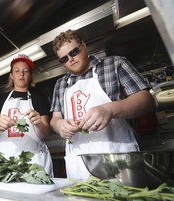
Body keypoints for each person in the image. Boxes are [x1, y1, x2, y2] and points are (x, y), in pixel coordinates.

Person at [50, 29, 156, 180]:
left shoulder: (115, 64)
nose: (70, 60)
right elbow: (54, 119)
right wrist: (60, 125)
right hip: (78, 164)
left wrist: (110, 109)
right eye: (64, 59)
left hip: (117, 155)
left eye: (74, 52)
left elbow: (147, 100)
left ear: (84, 46)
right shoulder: (60, 84)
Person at [0, 54, 54, 176]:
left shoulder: (39, 100)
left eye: (26, 71)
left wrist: (39, 124)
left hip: (34, 164)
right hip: (4, 163)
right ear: (11, 75)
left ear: (30, 76)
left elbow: (45, 133)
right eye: (17, 71)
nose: (21, 74)